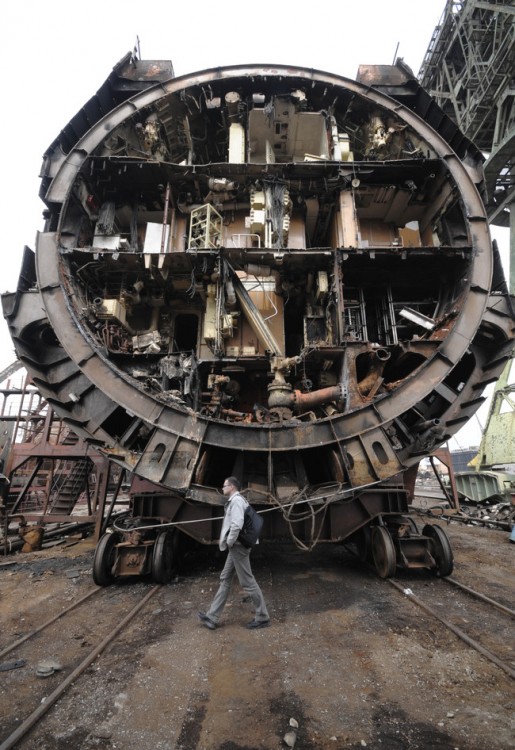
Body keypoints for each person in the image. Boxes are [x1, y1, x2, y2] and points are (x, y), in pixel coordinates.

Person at [198, 476, 270, 630]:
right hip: (236, 547)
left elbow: (236, 524)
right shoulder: (237, 500)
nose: (222, 488)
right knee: (225, 578)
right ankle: (212, 617)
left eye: (224, 485)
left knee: (248, 582)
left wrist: (229, 542)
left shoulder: (237, 501)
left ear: (231, 487)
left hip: (238, 546)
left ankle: (263, 617)